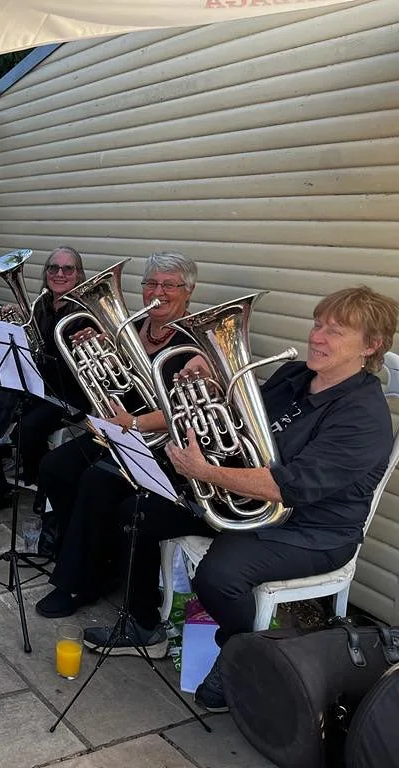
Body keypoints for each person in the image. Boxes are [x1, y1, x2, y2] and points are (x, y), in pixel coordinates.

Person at [80, 285, 398, 714]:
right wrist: (207, 376)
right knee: (138, 512)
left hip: (312, 529)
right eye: (318, 324)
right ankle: (142, 625)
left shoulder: (363, 415)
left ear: (371, 346)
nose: (317, 337)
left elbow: (294, 485)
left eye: (336, 331)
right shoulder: (295, 376)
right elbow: (240, 422)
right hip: (247, 501)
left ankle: (236, 660)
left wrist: (206, 472)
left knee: (219, 576)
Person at [34, 251, 198, 619]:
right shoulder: (132, 328)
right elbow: (111, 384)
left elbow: (186, 410)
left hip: (161, 445)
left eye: (169, 285)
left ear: (188, 291)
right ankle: (91, 555)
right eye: (151, 283)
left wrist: (135, 424)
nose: (158, 291)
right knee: (55, 467)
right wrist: (98, 351)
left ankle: (78, 582)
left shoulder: (194, 340)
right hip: (120, 432)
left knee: (97, 480)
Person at [0, 246, 91, 513]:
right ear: (45, 273)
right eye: (53, 268)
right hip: (31, 386)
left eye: (68, 269)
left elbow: (71, 366)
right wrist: (13, 328)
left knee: (26, 430)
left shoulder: (84, 314)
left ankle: (43, 483)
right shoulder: (40, 306)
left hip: (65, 393)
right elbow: (28, 349)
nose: (59, 273)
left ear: (78, 274)